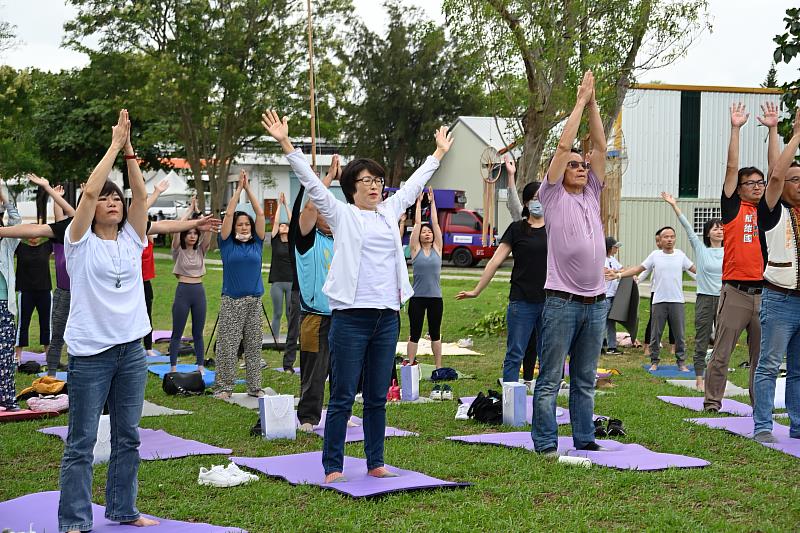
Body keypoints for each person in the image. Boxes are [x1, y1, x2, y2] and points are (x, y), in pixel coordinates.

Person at [262, 109, 453, 483]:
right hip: (351, 317)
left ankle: (375, 460)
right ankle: (333, 465)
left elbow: (414, 185)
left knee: (377, 395)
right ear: (352, 187)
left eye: (378, 180)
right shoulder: (342, 214)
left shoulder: (389, 211)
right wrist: (287, 144)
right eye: (365, 180)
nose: (374, 185)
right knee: (343, 394)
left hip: (386, 316)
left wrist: (439, 154)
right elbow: (313, 185)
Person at [58, 110, 158, 532]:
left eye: (116, 199)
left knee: (128, 437)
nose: (112, 201)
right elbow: (86, 196)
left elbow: (139, 192)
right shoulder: (78, 241)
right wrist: (113, 145)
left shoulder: (133, 238)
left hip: (131, 351)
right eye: (106, 197)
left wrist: (131, 151)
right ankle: (75, 521)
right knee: (81, 444)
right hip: (91, 354)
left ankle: (123, 509)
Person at [532, 71, 609, 455]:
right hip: (561, 302)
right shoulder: (551, 195)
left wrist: (594, 103)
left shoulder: (592, 192)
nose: (580, 167)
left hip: (596, 303)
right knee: (549, 379)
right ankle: (546, 443)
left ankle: (583, 438)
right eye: (574, 165)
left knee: (583, 378)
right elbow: (565, 146)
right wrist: (578, 102)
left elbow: (599, 143)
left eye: (583, 165)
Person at [704, 102, 776, 412]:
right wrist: (736, 129)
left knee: (760, 358)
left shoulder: (767, 210)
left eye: (760, 183)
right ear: (740, 188)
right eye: (752, 183)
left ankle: (759, 404)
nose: (758, 187)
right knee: (722, 353)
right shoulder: (733, 208)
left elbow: (777, 173)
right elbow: (731, 169)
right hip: (735, 292)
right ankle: (712, 402)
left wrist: (773, 130)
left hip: (766, 293)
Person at [457, 180, 546, 383]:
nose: (539, 203)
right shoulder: (517, 229)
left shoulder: (556, 229)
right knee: (515, 353)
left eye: (542, 198)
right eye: (534, 199)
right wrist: (476, 290)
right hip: (521, 300)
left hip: (550, 302)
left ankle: (543, 403)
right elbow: (495, 261)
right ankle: (510, 402)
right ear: (525, 204)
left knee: (547, 356)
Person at [751, 107, 800, 443]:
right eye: (795, 179)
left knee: (798, 371)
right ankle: (763, 426)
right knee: (769, 364)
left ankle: (797, 425)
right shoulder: (772, 211)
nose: (798, 184)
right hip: (780, 299)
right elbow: (777, 174)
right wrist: (795, 134)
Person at [293, 155, 339, 431]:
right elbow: (310, 207)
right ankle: (308, 417)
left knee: (342, 369)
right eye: (324, 211)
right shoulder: (307, 238)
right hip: (313, 315)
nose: (328, 215)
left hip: (342, 313)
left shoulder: (341, 239)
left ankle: (339, 413)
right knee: (313, 367)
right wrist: (329, 177)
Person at [609, 227, 696, 370]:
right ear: (660, 240)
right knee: (656, 333)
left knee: (680, 334)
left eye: (672, 237)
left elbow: (695, 270)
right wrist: (618, 275)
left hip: (677, 301)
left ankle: (681, 362)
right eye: (666, 237)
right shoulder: (655, 255)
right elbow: (638, 269)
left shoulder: (680, 255)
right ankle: (654, 361)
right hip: (659, 301)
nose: (669, 239)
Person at [661, 192, 724, 391]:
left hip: (725, 299)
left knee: (723, 340)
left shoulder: (730, 249)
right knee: (702, 338)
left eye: (722, 228)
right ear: (708, 233)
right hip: (705, 298)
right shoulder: (701, 248)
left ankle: (717, 377)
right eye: (715, 228)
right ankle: (699, 377)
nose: (719, 231)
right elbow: (687, 226)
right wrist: (674, 205)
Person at [214, 169, 266, 400]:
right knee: (228, 345)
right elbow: (228, 217)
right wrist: (237, 192)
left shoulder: (256, 244)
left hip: (254, 301)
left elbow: (261, 214)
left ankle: (254, 387)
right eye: (240, 224)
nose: (244, 227)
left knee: (254, 346)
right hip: (232, 301)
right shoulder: (227, 244)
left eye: (247, 224)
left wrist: (249, 190)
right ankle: (224, 387)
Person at [169, 196, 209, 373]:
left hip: (198, 291)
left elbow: (207, 231)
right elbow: (178, 226)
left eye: (195, 233)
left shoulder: (201, 250)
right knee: (177, 331)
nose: (192, 236)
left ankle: (200, 365)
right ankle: (173, 366)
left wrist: (198, 211)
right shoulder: (178, 250)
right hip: (183, 291)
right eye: (189, 233)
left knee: (197, 332)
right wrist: (189, 211)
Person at [407, 187, 444, 368]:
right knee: (414, 333)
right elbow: (416, 225)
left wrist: (433, 202)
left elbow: (436, 225)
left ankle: (438, 367)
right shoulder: (415, 250)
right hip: (417, 299)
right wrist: (419, 203)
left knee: (435, 333)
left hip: (436, 298)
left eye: (429, 232)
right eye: (424, 232)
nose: (427, 233)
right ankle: (411, 365)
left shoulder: (438, 248)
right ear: (419, 236)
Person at [140, 178, 170, 356]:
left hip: (145, 282)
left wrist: (154, 193)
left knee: (147, 314)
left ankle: (148, 347)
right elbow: (138, 213)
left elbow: (142, 214)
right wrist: (155, 193)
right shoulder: (131, 242)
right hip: (131, 283)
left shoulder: (149, 242)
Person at [267, 191, 295, 370]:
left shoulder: (293, 242)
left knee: (290, 314)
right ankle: (275, 340)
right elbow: (276, 223)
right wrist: (279, 205)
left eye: (286, 225)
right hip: (277, 281)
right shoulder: (275, 241)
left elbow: (293, 222)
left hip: (292, 282)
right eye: (282, 226)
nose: (284, 226)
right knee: (277, 313)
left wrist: (287, 205)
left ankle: (290, 340)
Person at [14, 235, 52, 362]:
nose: (34, 236)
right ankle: (17, 356)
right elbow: (9, 236)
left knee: (46, 324)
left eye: (37, 233)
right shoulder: (20, 247)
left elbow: (59, 231)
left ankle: (49, 356)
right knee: (22, 324)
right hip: (26, 292)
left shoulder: (47, 247)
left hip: (45, 291)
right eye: (31, 233)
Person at [0, 183, 21, 411]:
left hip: (5, 306)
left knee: (6, 355)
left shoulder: (8, 242)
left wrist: (3, 192)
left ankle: (8, 399)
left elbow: (16, 220)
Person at [640, 228, 675, 356]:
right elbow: (645, 270)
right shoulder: (654, 255)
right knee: (653, 320)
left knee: (673, 321)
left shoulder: (676, 255)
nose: (659, 243)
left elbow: (690, 269)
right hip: (657, 293)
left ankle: (673, 346)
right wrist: (636, 280)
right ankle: (647, 346)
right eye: (657, 241)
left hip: (672, 294)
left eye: (660, 240)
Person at [604, 237, 623, 355]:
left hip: (612, 295)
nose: (617, 249)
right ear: (610, 247)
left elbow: (622, 269)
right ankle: (600, 345)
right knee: (601, 322)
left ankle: (612, 346)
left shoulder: (613, 259)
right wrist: (616, 272)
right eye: (615, 247)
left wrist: (616, 272)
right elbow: (605, 271)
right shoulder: (602, 258)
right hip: (604, 295)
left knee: (611, 321)